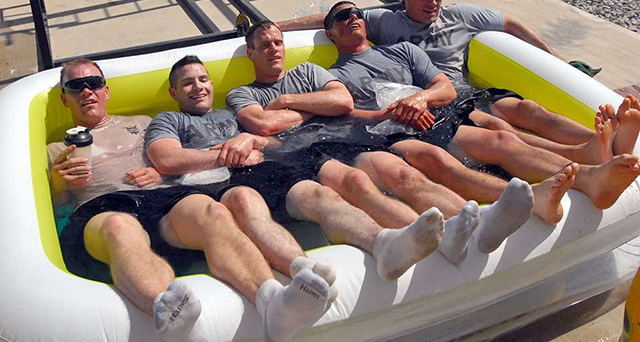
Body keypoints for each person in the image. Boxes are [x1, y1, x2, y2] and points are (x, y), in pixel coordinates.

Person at [48, 59, 332, 342]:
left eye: (94, 83)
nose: (87, 91)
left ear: (106, 91)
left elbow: (177, 156)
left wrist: (158, 172)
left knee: (213, 211)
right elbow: (57, 209)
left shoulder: (143, 124)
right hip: (102, 206)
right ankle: (171, 315)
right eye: (76, 86)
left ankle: (272, 302)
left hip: (161, 197)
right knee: (119, 229)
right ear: (65, 98)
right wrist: (59, 185)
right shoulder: (55, 150)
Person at [226, 21, 537, 262]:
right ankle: (442, 239)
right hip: (301, 156)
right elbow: (263, 124)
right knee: (363, 183)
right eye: (264, 45)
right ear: (250, 53)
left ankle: (486, 222)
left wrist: (288, 101)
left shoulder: (307, 71)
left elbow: (343, 102)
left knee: (408, 175)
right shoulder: (242, 93)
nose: (274, 49)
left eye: (278, 42)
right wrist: (314, 108)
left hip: (348, 139)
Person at [277, 0, 640, 165]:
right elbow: (335, 17)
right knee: (501, 131)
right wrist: (275, 28)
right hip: (431, 101)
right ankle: (586, 155)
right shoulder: (386, 23)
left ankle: (599, 142)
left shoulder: (462, 16)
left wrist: (556, 59)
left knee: (527, 110)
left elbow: (511, 23)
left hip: (462, 90)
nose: (432, 3)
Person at [322, 1, 640, 223]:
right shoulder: (330, 77)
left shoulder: (402, 50)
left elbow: (443, 87)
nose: (352, 18)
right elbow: (341, 117)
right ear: (330, 34)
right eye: (341, 16)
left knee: (503, 135)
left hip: (435, 114)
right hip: (393, 132)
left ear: (366, 21)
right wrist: (385, 115)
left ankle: (588, 161)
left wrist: (420, 100)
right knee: (497, 140)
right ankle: (587, 173)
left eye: (356, 13)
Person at [146, 54, 448, 280]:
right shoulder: (170, 119)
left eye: (202, 80)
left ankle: (383, 244)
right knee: (244, 203)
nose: (197, 87)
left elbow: (274, 142)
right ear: (174, 93)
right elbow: (167, 159)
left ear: (212, 84)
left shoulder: (233, 114)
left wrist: (254, 141)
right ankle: (302, 275)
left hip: (264, 171)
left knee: (322, 196)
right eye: (187, 83)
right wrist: (234, 151)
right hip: (213, 187)